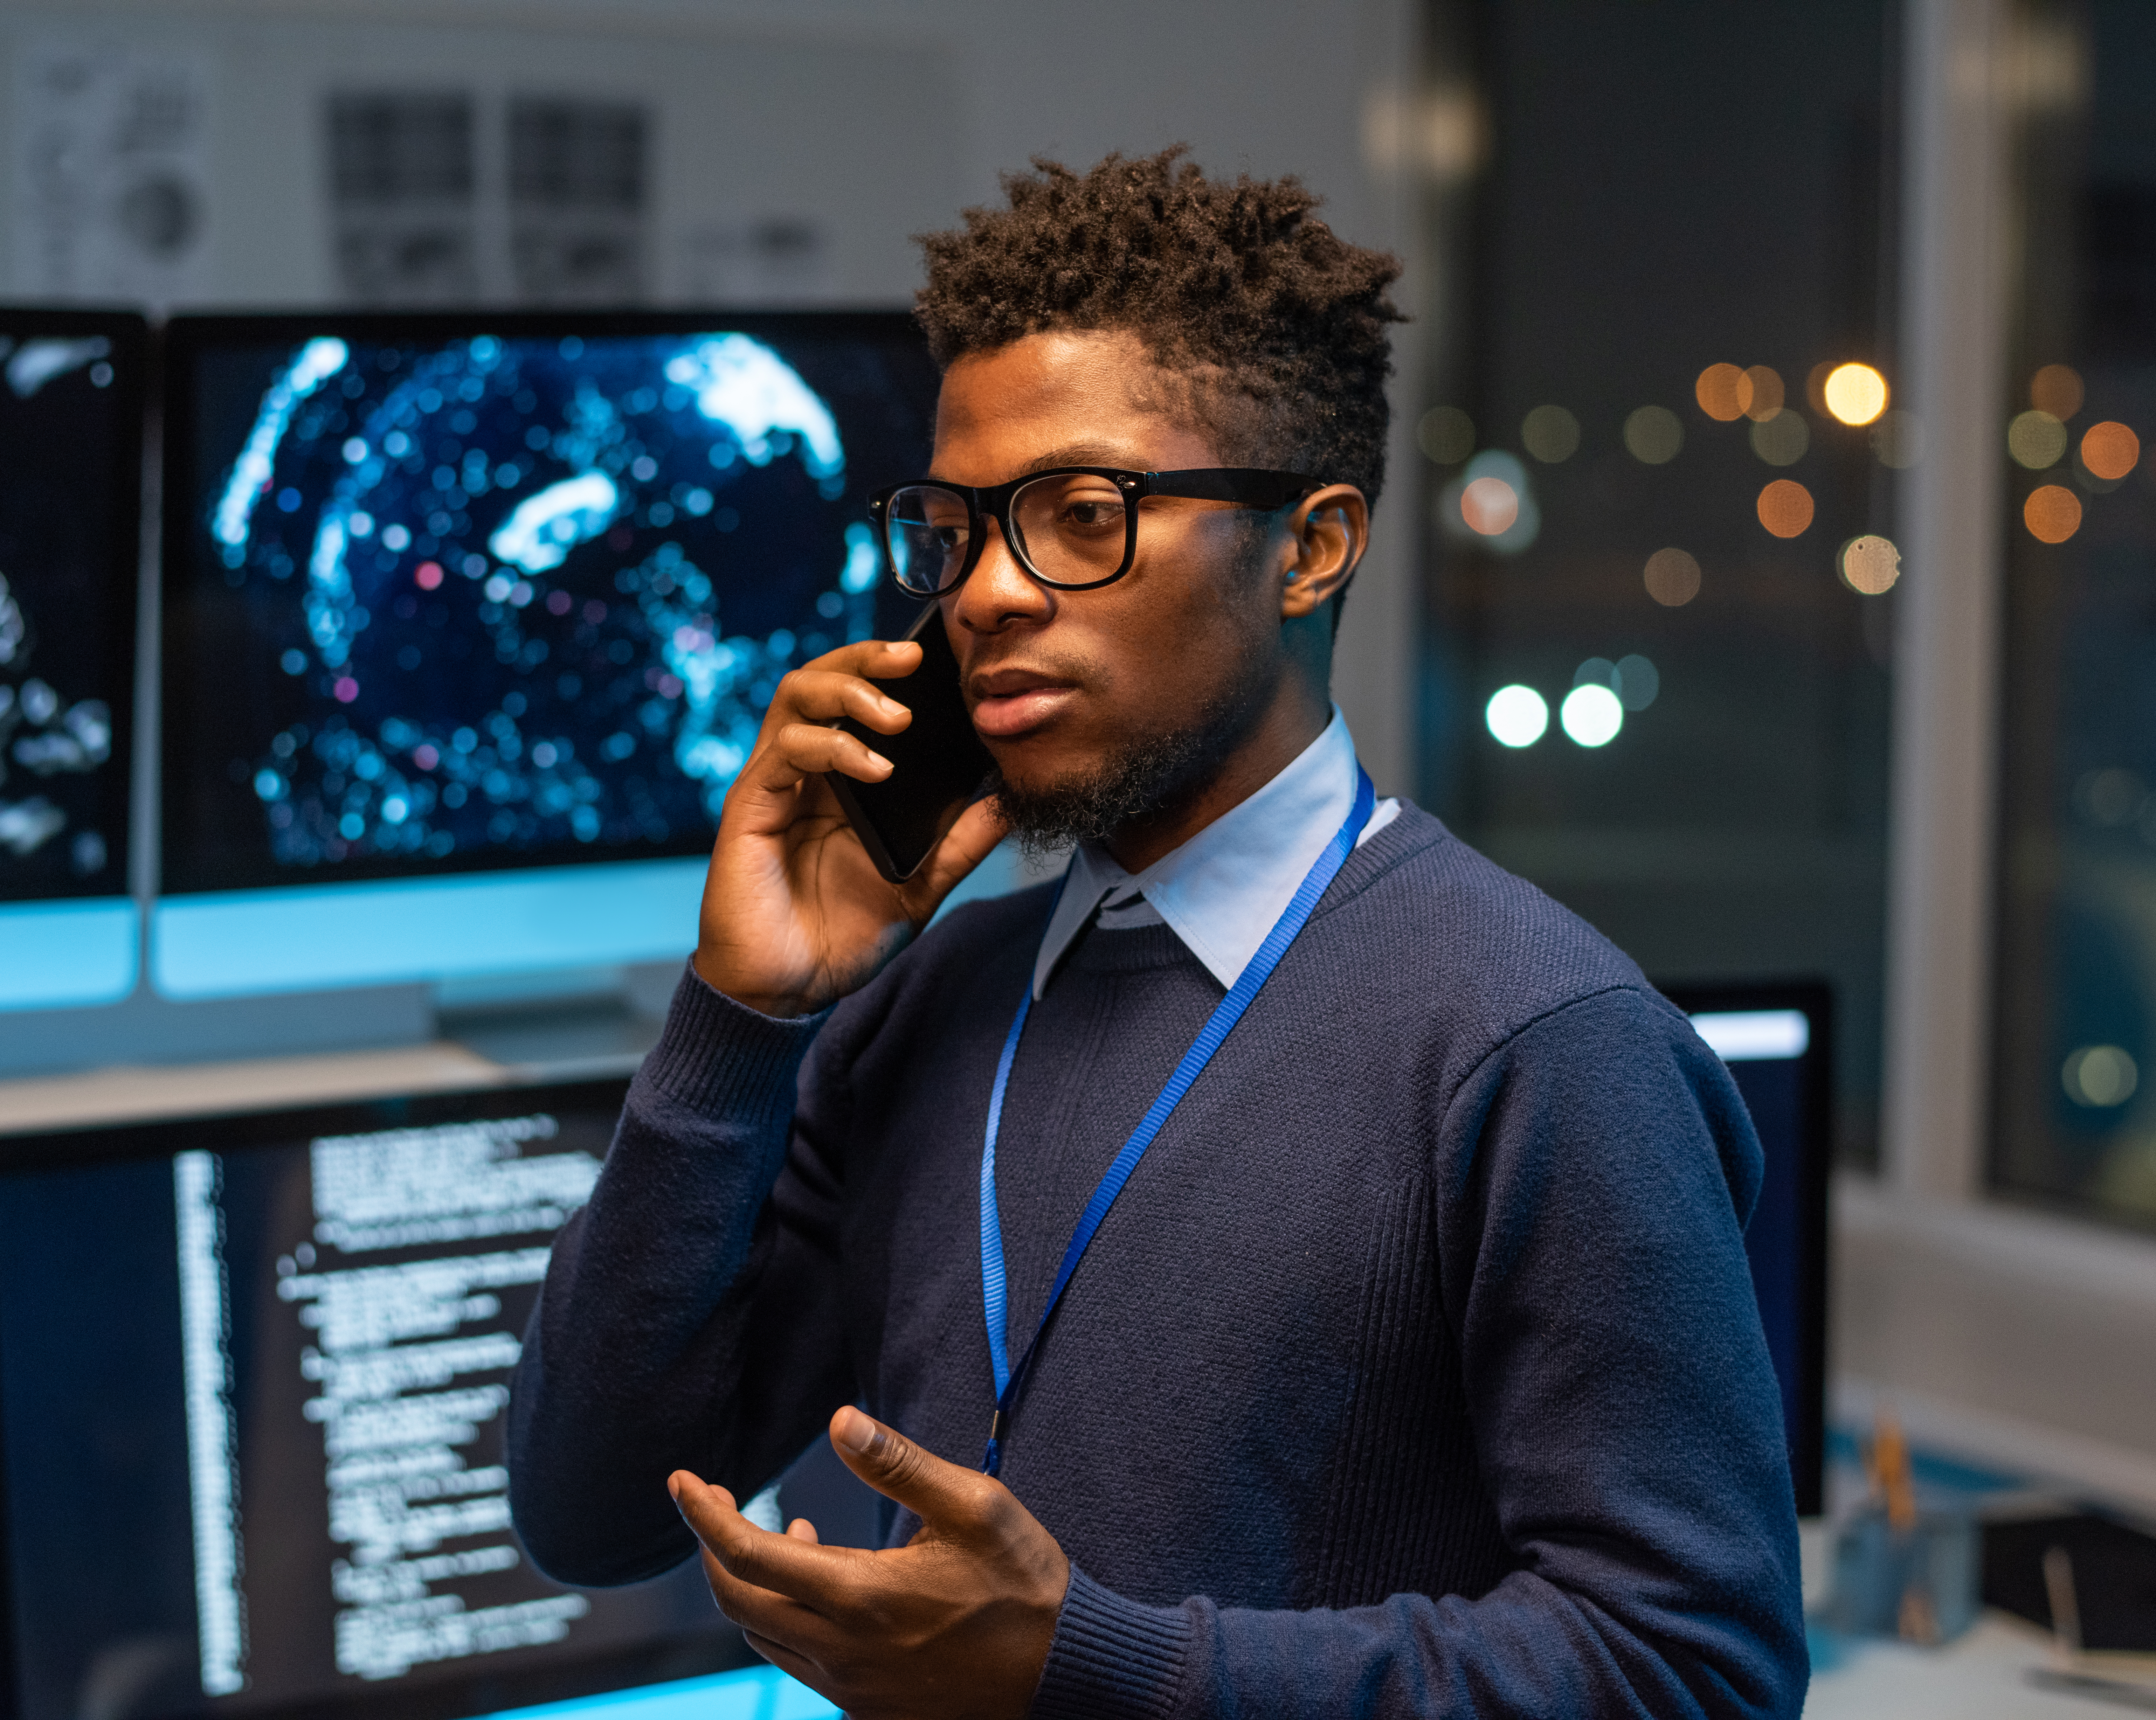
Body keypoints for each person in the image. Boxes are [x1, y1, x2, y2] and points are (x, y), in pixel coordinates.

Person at [508, 147, 1807, 1719]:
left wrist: (1085, 1667)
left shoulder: (1537, 1040)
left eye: (1079, 512)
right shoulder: (928, 1002)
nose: (982, 593)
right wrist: (743, 1012)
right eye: (956, 527)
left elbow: (1695, 1672)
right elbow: (586, 1508)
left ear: (1310, 547)